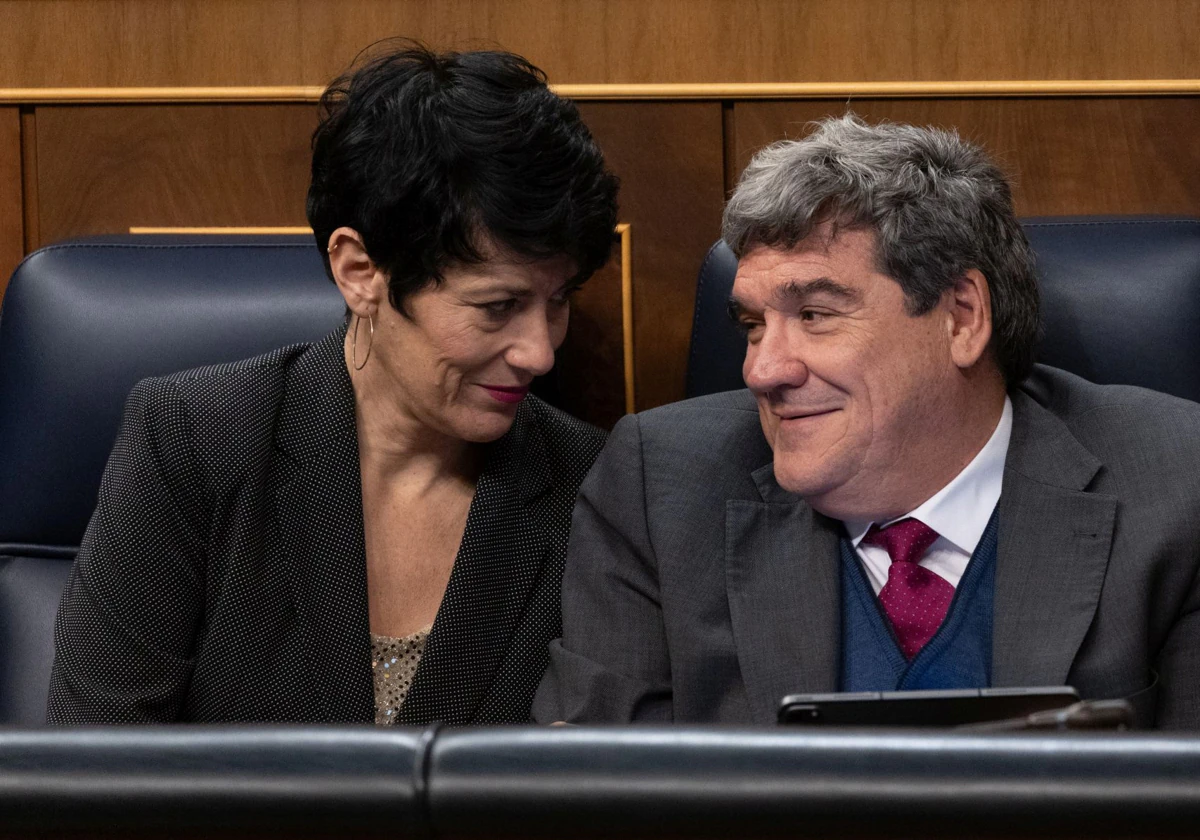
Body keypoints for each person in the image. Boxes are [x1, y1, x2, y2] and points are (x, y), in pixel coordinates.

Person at [534, 115, 1200, 729]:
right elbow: (592, 797)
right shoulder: (660, 489)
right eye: (751, 325)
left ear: (961, 317)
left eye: (816, 315)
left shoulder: (1176, 487)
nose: (762, 370)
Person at [48, 43, 619, 725]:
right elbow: (97, 768)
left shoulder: (592, 486)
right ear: (360, 271)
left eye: (558, 301)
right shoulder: (194, 442)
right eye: (497, 306)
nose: (539, 353)